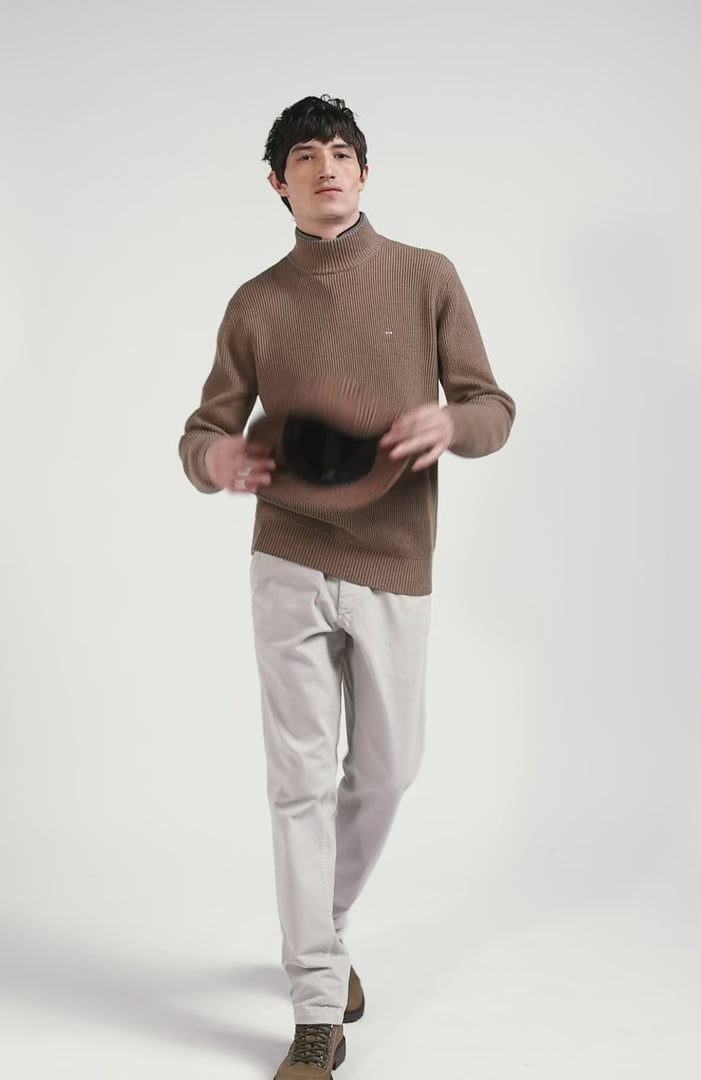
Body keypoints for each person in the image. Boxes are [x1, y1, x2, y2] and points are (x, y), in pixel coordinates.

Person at [179, 94, 515, 1078]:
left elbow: (492, 405)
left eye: (340, 152)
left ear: (365, 172)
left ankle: (317, 927)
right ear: (277, 183)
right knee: (298, 784)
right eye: (304, 157)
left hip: (395, 560)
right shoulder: (256, 303)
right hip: (287, 557)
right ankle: (316, 1006)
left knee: (389, 770)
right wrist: (215, 460)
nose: (325, 167)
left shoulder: (426, 276)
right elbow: (203, 428)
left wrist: (453, 424)